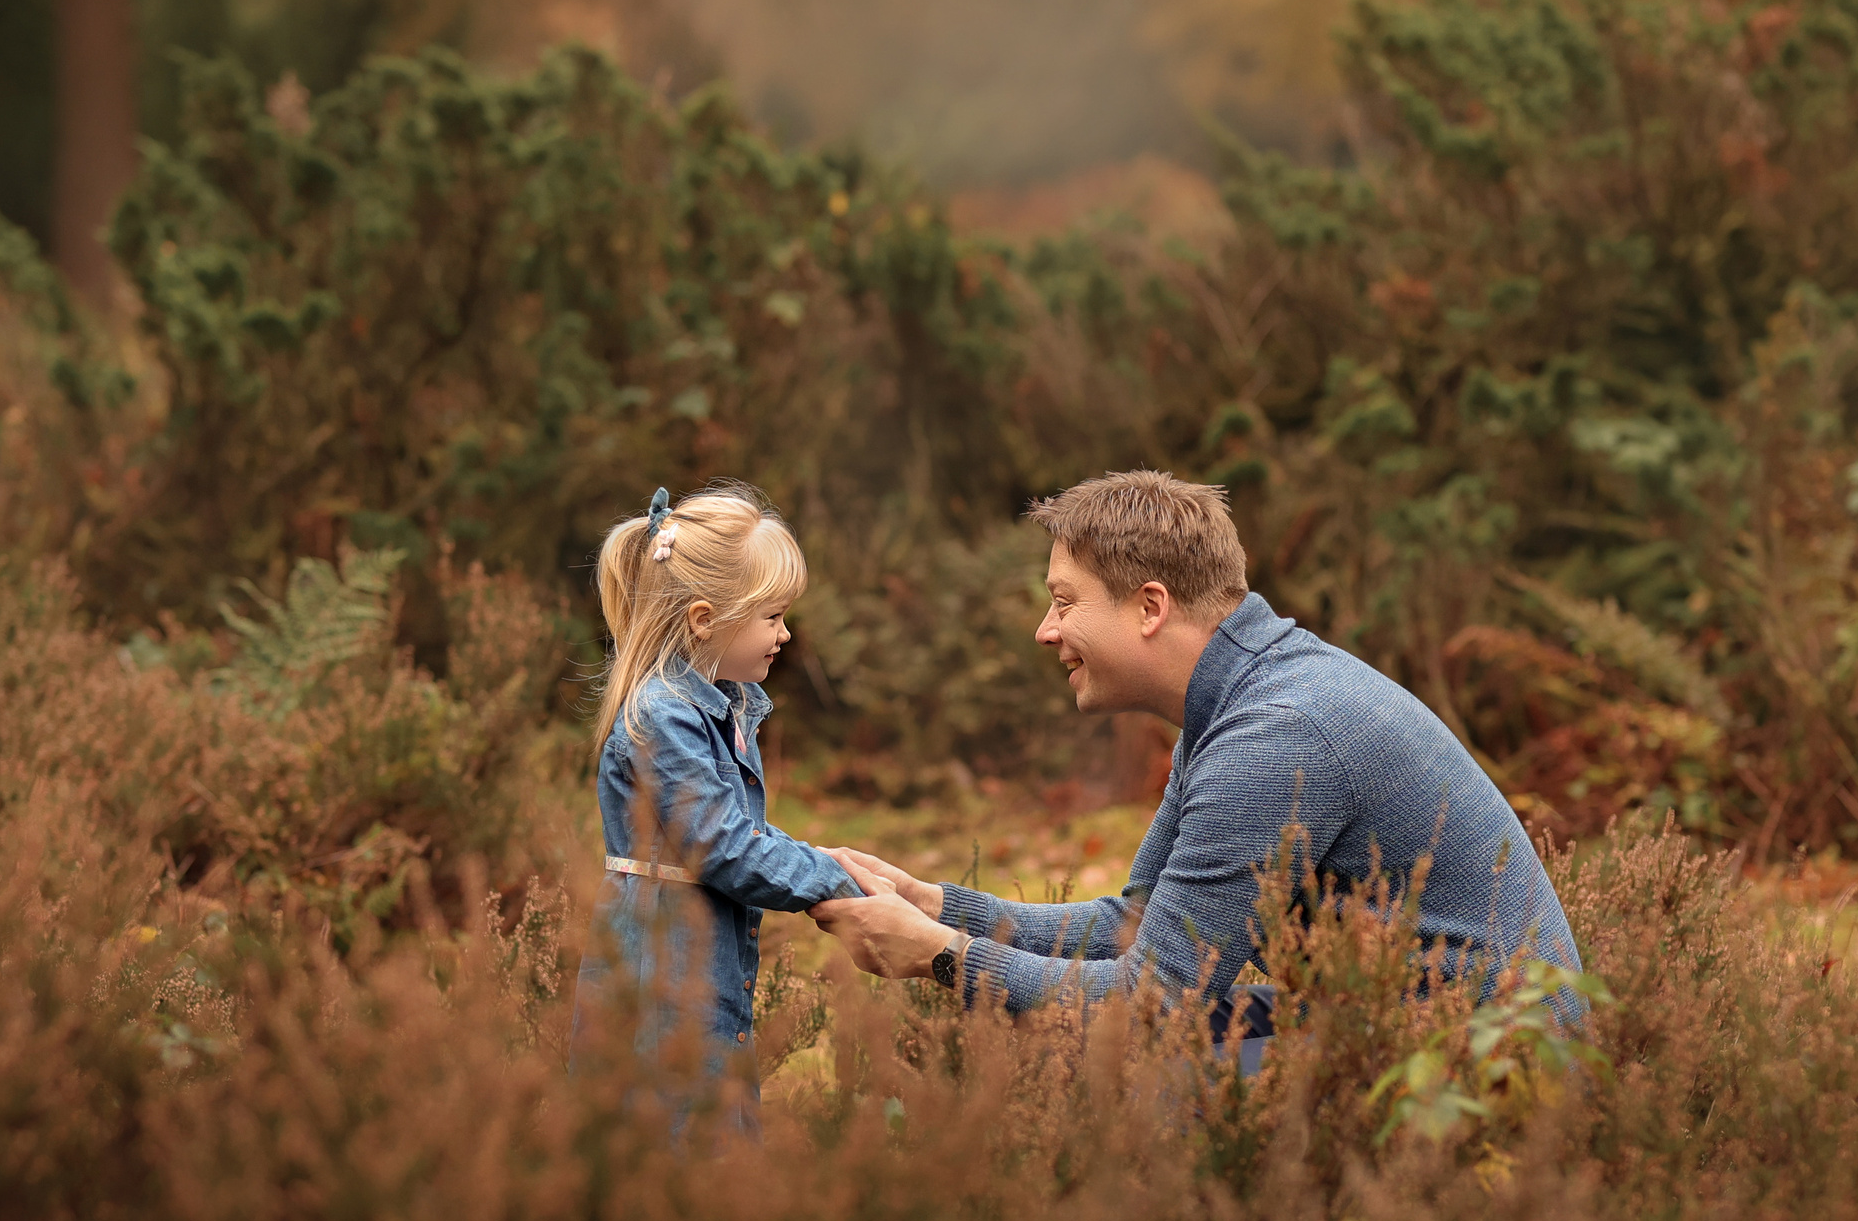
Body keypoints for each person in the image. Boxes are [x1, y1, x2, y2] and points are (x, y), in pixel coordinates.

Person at [813, 471, 1582, 1060]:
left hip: (1494, 1066)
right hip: (1422, 1036)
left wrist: (942, 958)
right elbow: (1134, 928)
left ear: (1149, 608)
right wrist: (940, 906)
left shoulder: (1278, 732)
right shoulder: (1239, 704)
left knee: (1129, 1065)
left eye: (1063, 600)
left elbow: (1150, 999)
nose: (1045, 631)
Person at [571, 484, 860, 1133]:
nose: (785, 635)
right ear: (704, 619)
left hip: (697, 942)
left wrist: (818, 859)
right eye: (773, 617)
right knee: (679, 1122)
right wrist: (830, 879)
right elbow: (722, 847)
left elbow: (732, 828)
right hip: (665, 961)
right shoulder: (663, 716)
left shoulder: (713, 706)